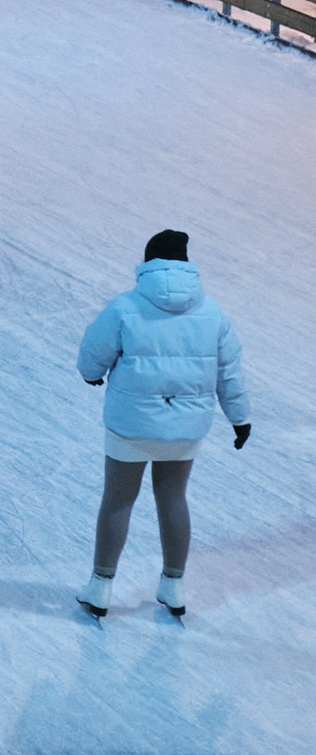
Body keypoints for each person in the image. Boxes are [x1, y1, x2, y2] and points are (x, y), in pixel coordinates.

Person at [75, 230, 250, 620]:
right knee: (173, 498)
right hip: (184, 428)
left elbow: (92, 355)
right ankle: (173, 585)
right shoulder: (214, 313)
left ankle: (101, 588)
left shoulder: (124, 307)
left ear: (148, 264)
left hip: (130, 426)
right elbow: (230, 373)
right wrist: (240, 418)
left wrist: (92, 375)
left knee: (118, 500)